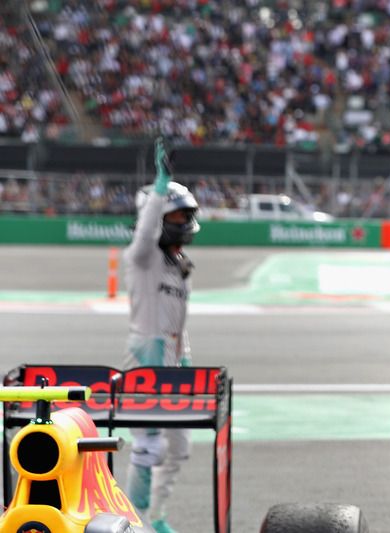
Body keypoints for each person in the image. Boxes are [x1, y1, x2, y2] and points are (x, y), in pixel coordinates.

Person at [122, 138, 200, 533]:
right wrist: (159, 189)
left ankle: (157, 516)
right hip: (144, 358)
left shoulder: (176, 266)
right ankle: (134, 520)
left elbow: (179, 323)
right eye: (176, 215)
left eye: (187, 214)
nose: (183, 222)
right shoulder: (143, 258)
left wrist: (184, 359)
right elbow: (145, 234)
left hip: (172, 359)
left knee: (180, 447)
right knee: (148, 446)